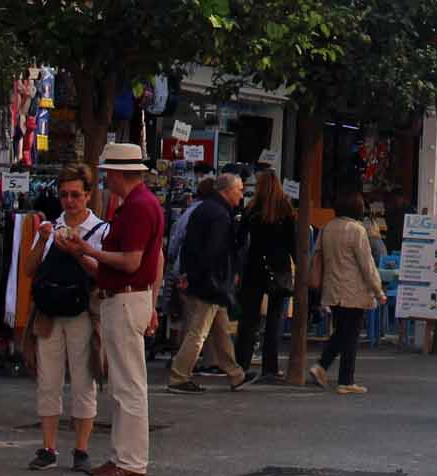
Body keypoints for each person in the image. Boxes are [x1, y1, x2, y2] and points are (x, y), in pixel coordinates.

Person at [58, 142, 164, 476]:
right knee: (124, 385)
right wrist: (82, 254)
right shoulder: (137, 204)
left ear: (119, 173)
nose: (105, 180)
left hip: (126, 298)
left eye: (107, 174)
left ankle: (130, 463)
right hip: (127, 296)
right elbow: (134, 263)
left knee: (128, 387)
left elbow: (131, 261)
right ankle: (123, 459)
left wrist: (87, 249)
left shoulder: (137, 207)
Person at [27, 165, 107, 472]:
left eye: (76, 195)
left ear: (88, 195)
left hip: (81, 313)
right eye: (64, 195)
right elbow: (29, 269)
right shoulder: (52, 226)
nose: (70, 201)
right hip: (49, 313)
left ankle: (81, 449)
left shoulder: (101, 230)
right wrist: (41, 238)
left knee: (84, 380)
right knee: (48, 379)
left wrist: (77, 251)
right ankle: (48, 448)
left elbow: (101, 274)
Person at [167, 172, 248, 393]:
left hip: (204, 279)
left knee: (219, 328)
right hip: (210, 282)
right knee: (199, 332)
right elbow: (213, 252)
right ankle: (179, 376)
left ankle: (235, 374)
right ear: (227, 190)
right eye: (239, 190)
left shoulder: (204, 209)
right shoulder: (220, 215)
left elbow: (190, 245)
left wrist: (188, 274)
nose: (242, 195)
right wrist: (203, 276)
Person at [307, 191, 386, 394]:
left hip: (332, 287)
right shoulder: (357, 230)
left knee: (342, 331)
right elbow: (366, 265)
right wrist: (378, 290)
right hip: (353, 289)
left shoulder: (327, 228)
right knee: (350, 335)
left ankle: (322, 366)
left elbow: (317, 255)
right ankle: (344, 379)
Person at [233, 168, 297, 379]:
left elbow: (240, 239)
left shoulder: (252, 209)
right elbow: (292, 242)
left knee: (249, 320)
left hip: (254, 267)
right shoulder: (285, 209)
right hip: (278, 268)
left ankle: (241, 364)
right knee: (274, 319)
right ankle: (270, 366)